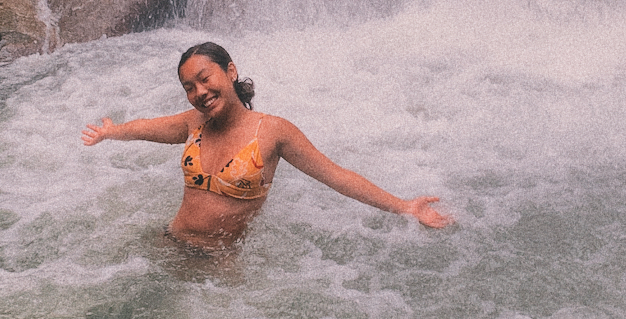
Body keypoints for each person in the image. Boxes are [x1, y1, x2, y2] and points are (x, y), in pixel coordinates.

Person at [82, 40, 455, 247]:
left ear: (230, 71)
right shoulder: (192, 123)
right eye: (188, 87)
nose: (199, 92)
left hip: (220, 260)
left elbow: (336, 176)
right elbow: (150, 127)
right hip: (172, 241)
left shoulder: (273, 132)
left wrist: (405, 207)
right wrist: (113, 132)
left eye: (204, 78)